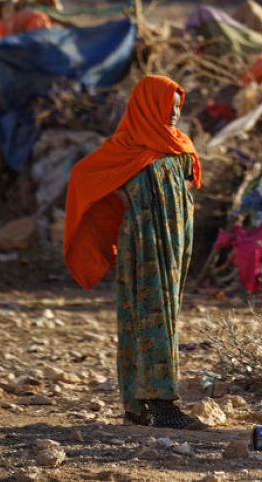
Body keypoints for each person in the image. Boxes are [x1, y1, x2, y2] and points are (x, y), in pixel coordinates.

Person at [63, 75, 205, 429]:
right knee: (143, 315)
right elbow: (83, 176)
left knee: (166, 315)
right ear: (148, 105)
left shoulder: (180, 145)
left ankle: (143, 405)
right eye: (168, 108)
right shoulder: (124, 147)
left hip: (175, 244)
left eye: (178, 109)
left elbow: (187, 184)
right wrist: (121, 203)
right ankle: (157, 404)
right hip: (141, 243)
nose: (174, 115)